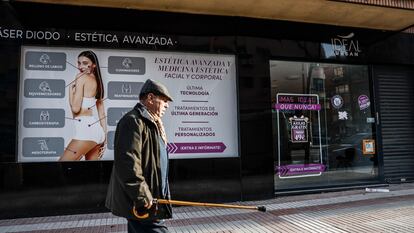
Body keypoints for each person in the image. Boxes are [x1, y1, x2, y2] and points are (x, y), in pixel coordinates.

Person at [106, 79, 173, 233]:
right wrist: (142, 195)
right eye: (164, 100)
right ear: (150, 98)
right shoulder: (133, 121)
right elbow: (128, 163)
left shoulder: (152, 123)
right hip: (143, 201)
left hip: (151, 198)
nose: (167, 105)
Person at [59, 50, 107, 161]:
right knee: (91, 174)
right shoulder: (98, 81)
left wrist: (71, 92)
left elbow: (75, 109)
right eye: (79, 63)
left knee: (61, 167)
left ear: (94, 64)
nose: (81, 66)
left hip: (86, 130)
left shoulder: (80, 77)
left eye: (85, 63)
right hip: (97, 132)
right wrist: (104, 137)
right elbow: (102, 112)